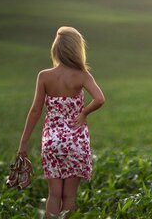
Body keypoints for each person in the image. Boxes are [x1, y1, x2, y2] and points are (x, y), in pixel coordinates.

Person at [17, 26, 106, 218]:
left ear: (56, 49)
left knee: (54, 195)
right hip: (75, 141)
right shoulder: (82, 75)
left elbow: (35, 111)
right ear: (77, 49)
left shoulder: (44, 76)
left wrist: (23, 142)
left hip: (52, 141)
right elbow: (99, 99)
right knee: (69, 196)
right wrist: (83, 114)